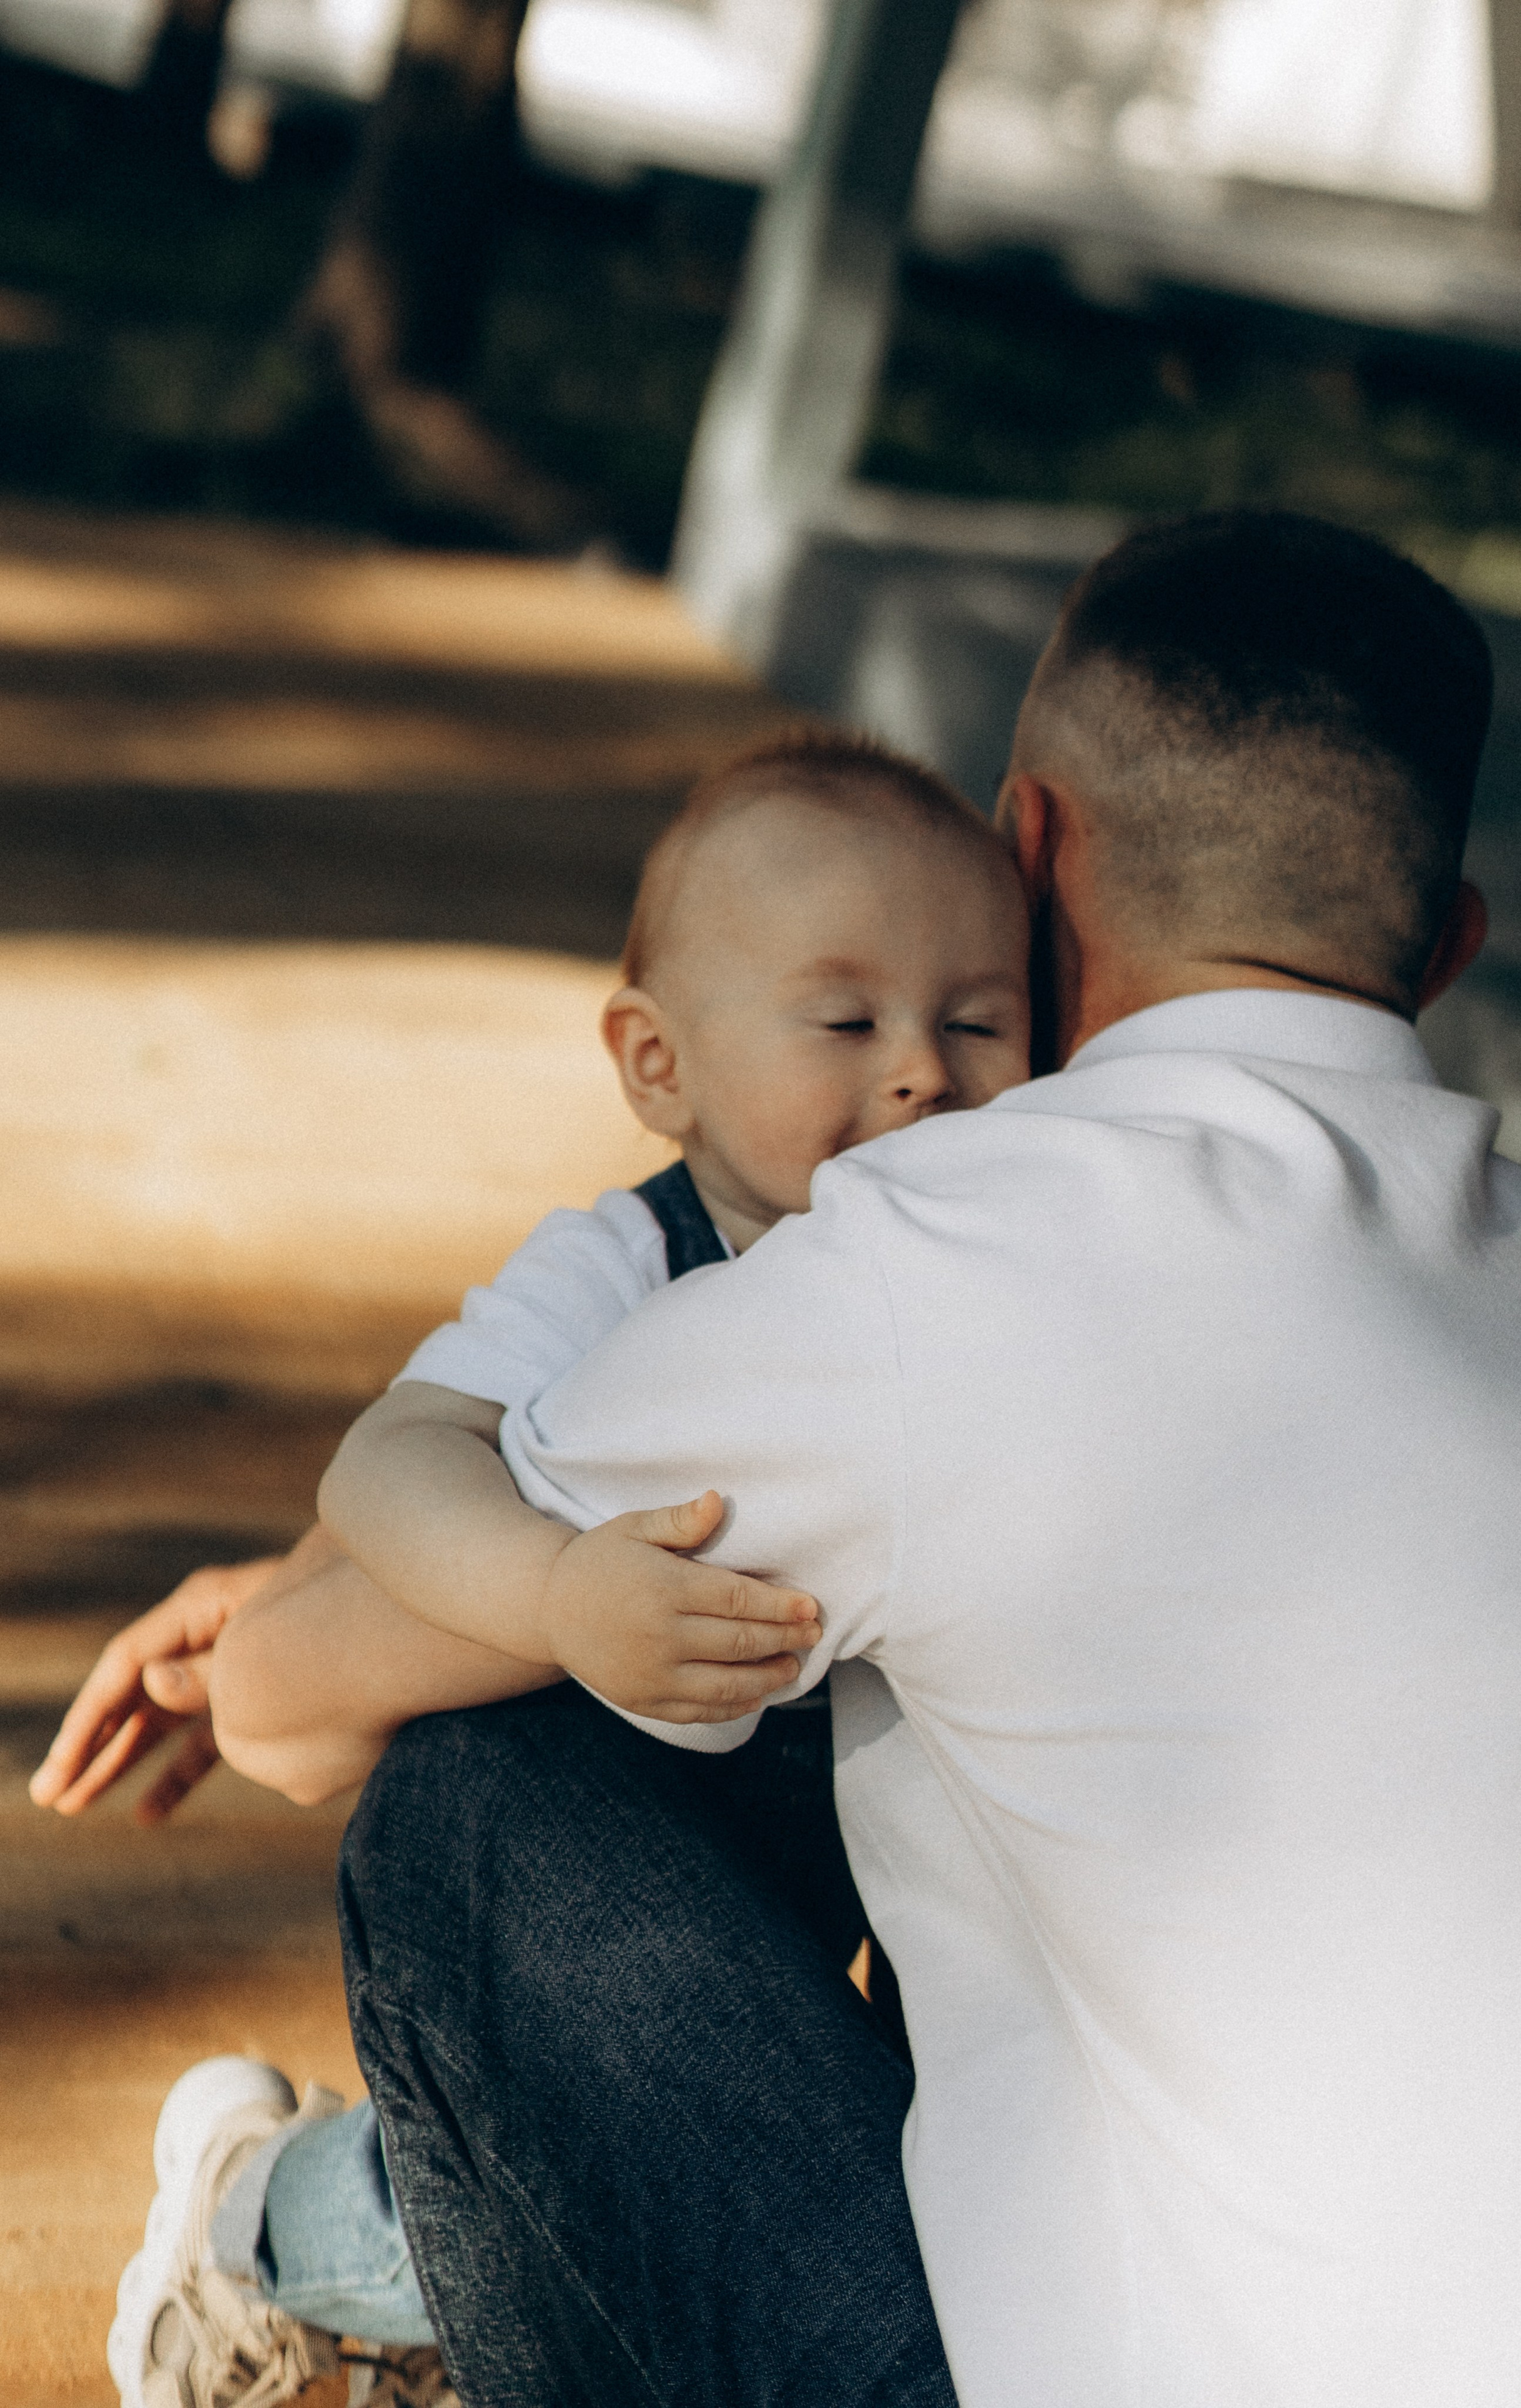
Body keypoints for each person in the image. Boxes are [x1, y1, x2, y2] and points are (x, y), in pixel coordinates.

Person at [45, 507, 1521, 2408]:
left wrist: (283, 1620)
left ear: (1029, 852)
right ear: (1444, 950)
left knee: (481, 1799)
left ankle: (301, 2249)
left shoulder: (934, 1263)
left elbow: (295, 1715)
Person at [38, 731, 1033, 2407]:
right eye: (848, 1022)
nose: (925, 1071)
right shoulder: (627, 1264)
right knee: (606, 2160)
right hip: (638, 1894)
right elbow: (405, 1459)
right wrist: (554, 1594)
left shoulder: (994, 1270)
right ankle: (252, 2232)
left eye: (985, 1022)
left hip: (852, 1948)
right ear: (662, 1066)